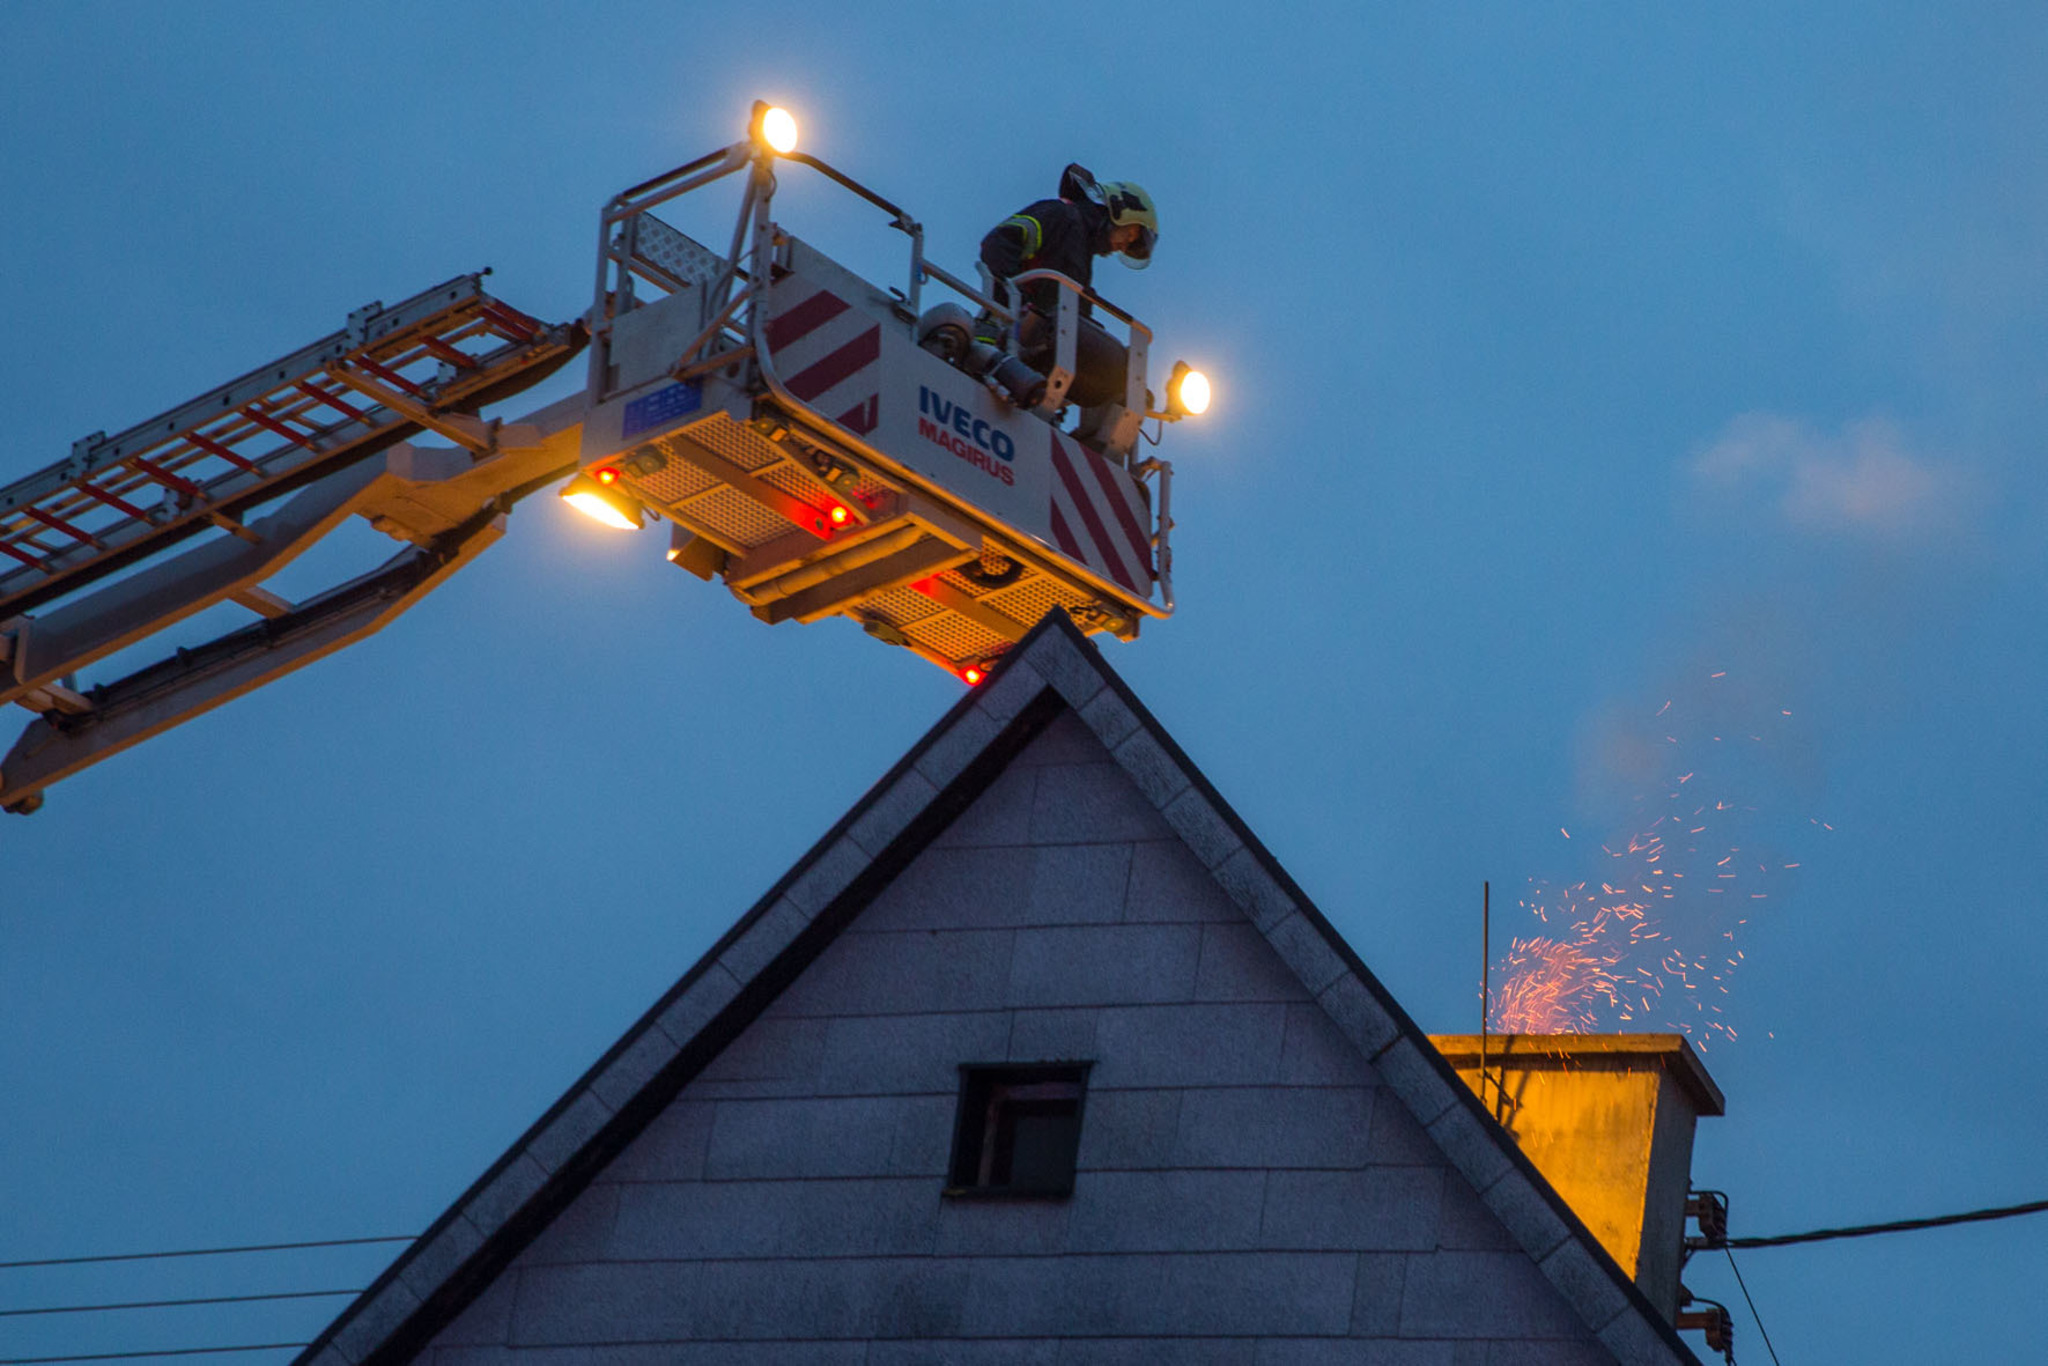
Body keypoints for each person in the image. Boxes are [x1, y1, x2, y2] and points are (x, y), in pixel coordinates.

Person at [977, 165, 1158, 405]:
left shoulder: (1081, 261)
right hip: (998, 342)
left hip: (1030, 368)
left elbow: (1077, 325)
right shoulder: (1059, 215)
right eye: (1131, 234)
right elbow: (1000, 243)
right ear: (1119, 210)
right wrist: (1015, 303)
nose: (1124, 245)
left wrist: (1123, 381)